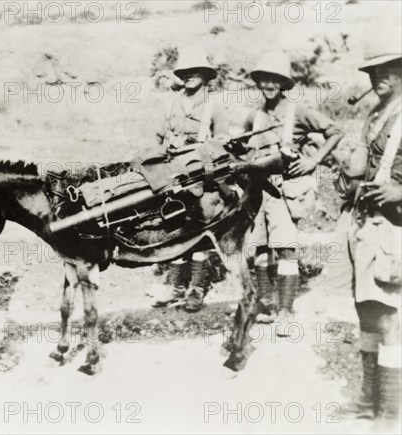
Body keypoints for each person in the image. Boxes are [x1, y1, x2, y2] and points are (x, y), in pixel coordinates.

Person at [243, 51, 343, 333]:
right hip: (257, 190)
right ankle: (264, 303)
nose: (269, 86)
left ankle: (285, 310)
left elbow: (335, 130)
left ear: (283, 83)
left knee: (286, 248)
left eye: (274, 80)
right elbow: (241, 144)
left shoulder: (296, 111)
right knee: (260, 247)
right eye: (264, 81)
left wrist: (314, 160)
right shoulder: (256, 115)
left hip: (284, 191)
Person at [334, 41, 401, 425]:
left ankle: (390, 412)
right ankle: (368, 399)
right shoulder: (376, 116)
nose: (379, 77)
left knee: (392, 317)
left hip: (395, 228)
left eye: (389, 69)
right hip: (366, 226)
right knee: (368, 314)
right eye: (374, 71)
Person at [151, 46, 230, 312]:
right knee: (174, 226)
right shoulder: (170, 103)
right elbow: (156, 139)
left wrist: (207, 159)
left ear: (205, 75)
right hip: (173, 175)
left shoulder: (214, 104)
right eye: (185, 73)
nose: (189, 77)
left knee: (202, 229)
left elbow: (222, 142)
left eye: (195, 72)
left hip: (202, 176)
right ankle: (175, 285)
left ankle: (196, 287)